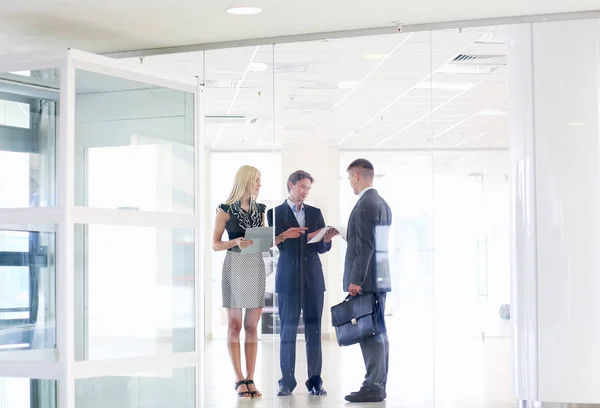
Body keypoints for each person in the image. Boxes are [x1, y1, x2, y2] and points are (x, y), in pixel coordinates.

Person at [267, 170, 338, 397]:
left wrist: (325, 240)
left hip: (313, 281)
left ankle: (315, 381)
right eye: (302, 187)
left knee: (314, 331)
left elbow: (320, 248)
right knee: (287, 332)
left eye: (308, 188)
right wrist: (286, 236)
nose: (305, 192)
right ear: (291, 185)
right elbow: (277, 244)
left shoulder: (316, 213)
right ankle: (286, 382)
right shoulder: (275, 213)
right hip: (288, 279)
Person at [212, 165, 267, 400]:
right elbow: (215, 244)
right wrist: (235, 242)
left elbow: (263, 240)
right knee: (234, 325)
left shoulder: (261, 209)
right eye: (255, 180)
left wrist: (276, 238)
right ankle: (238, 378)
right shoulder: (224, 209)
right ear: (244, 180)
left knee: (252, 326)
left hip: (255, 266)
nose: (258, 184)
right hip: (234, 266)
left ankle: (251, 377)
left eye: (259, 180)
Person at [342, 158, 392, 403]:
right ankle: (377, 383)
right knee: (379, 331)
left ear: (357, 176)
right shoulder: (382, 203)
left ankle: (373, 385)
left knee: (370, 333)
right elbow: (370, 242)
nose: (350, 184)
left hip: (367, 281)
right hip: (379, 278)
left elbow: (366, 245)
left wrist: (355, 280)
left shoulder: (364, 205)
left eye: (350, 178)